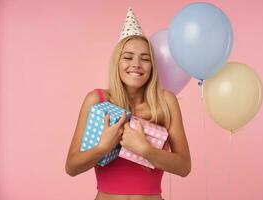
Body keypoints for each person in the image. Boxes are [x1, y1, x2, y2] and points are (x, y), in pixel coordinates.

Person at [65, 7, 191, 200]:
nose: (136, 64)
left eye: (145, 59)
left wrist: (145, 149)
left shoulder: (166, 102)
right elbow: (71, 167)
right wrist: (102, 147)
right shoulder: (97, 100)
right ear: (117, 62)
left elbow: (184, 167)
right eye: (128, 57)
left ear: (152, 67)